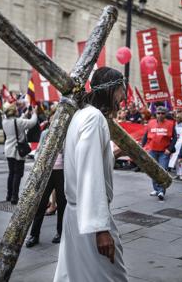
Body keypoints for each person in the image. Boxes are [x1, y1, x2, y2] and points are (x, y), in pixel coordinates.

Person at [53, 66, 127, 282]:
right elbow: (89, 173)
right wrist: (101, 229)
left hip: (76, 215)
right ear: (112, 90)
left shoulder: (81, 114)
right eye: (122, 91)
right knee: (112, 277)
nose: (122, 98)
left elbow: (84, 161)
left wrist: (109, 154)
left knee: (75, 276)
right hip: (90, 221)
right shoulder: (94, 118)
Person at [25, 116, 67, 248]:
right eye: (53, 119)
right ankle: (34, 235)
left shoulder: (66, 134)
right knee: (41, 204)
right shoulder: (45, 133)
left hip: (62, 172)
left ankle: (61, 233)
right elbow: (38, 152)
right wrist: (42, 161)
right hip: (47, 173)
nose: (55, 122)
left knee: (62, 204)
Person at [2, 103, 37, 204]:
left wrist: (25, 114)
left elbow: (19, 122)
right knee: (18, 174)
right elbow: (32, 123)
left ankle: (9, 195)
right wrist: (34, 113)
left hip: (9, 150)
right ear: (14, 111)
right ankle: (14, 196)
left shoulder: (5, 121)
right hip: (18, 151)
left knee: (11, 173)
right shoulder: (18, 121)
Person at [141, 106, 176, 201]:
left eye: (162, 113)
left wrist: (169, 149)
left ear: (166, 114)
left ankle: (161, 191)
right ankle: (156, 189)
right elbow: (145, 136)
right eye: (158, 113)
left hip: (164, 152)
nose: (160, 115)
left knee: (162, 171)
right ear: (156, 114)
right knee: (153, 171)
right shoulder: (151, 123)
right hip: (152, 150)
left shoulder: (170, 124)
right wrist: (142, 147)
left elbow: (175, 138)